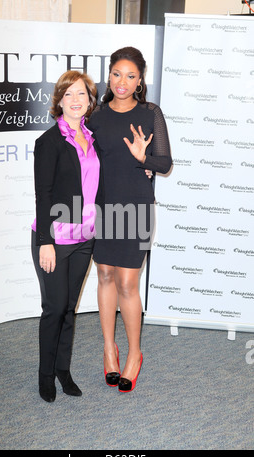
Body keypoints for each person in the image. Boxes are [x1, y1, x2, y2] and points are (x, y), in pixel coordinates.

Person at [88, 47, 172, 393]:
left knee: (127, 284)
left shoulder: (150, 113)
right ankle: (110, 349)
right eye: (117, 74)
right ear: (109, 75)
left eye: (131, 76)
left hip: (135, 208)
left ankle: (134, 354)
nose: (122, 82)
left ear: (140, 81)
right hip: (102, 207)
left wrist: (145, 159)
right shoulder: (94, 115)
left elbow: (165, 164)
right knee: (105, 275)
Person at [31, 70, 104, 403]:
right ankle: (46, 375)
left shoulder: (92, 138)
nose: (76, 101)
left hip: (85, 236)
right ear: (59, 101)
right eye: (69, 95)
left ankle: (63, 370)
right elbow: (43, 195)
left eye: (82, 94)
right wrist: (45, 241)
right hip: (55, 239)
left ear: (90, 101)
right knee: (54, 307)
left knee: (70, 309)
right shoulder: (49, 142)